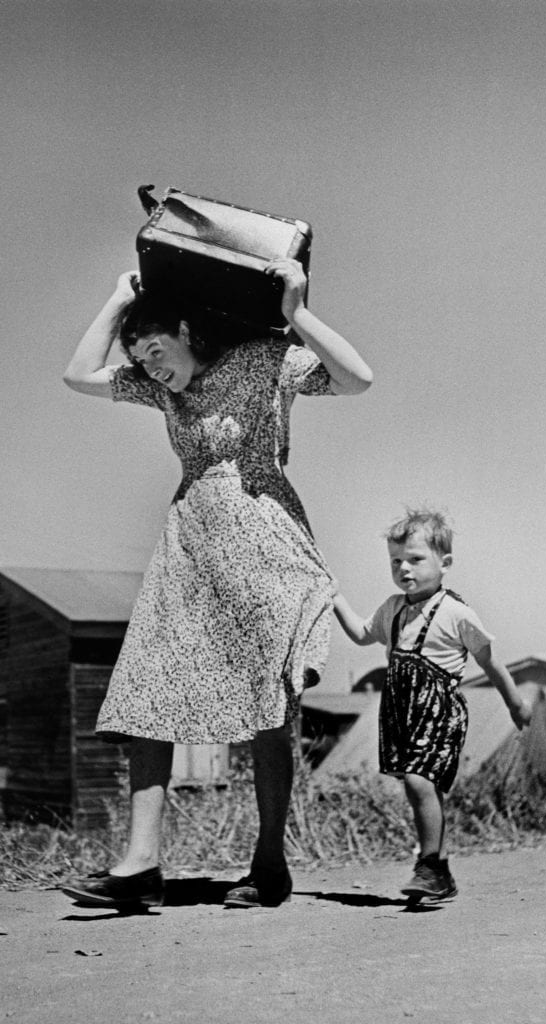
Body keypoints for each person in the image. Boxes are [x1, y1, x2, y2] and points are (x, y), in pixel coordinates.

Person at [60, 258, 373, 910]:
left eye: (156, 350)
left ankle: (268, 866)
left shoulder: (266, 360)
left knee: (268, 708)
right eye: (140, 359)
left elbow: (357, 379)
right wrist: (119, 298)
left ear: (184, 328)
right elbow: (78, 374)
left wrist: (297, 316)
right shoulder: (161, 392)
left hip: (264, 551)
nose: (150, 367)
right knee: (149, 687)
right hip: (189, 551)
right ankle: (141, 864)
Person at [332, 508, 531, 901]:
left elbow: (489, 660)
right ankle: (439, 870)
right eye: (396, 561)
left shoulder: (456, 611)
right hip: (402, 709)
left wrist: (514, 703)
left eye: (415, 559)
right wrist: (334, 596)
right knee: (420, 787)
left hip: (438, 709)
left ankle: (430, 865)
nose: (404, 568)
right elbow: (360, 634)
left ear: (445, 563)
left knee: (419, 780)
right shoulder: (392, 608)